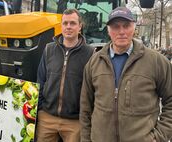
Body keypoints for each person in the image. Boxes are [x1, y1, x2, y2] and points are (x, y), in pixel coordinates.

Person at [80, 7, 172, 142]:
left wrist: (160, 136)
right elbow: (85, 107)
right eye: (116, 26)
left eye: (126, 26)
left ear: (134, 28)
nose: (121, 31)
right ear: (109, 30)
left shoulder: (157, 62)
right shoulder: (94, 62)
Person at [36, 8, 93, 142]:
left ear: (80, 26)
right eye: (65, 23)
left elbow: (92, 88)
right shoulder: (49, 49)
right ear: (61, 26)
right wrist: (40, 110)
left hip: (74, 121)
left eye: (72, 23)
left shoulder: (90, 53)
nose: (68, 27)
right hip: (47, 117)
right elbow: (40, 80)